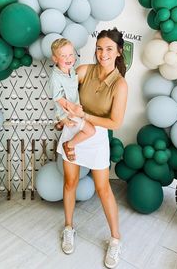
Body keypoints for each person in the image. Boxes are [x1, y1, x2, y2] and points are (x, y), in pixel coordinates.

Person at [57, 28, 128, 269]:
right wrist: (63, 115)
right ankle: (69, 228)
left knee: (103, 189)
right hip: (73, 131)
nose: (102, 54)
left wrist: (84, 114)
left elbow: (114, 123)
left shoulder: (120, 85)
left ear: (119, 52)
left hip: (96, 138)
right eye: (99, 48)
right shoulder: (85, 70)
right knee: (70, 183)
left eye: (109, 49)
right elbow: (62, 88)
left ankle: (116, 239)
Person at [49, 38, 96, 161]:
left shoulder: (71, 69)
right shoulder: (55, 77)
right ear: (55, 59)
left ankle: (60, 121)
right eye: (63, 56)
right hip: (69, 110)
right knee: (91, 131)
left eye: (70, 54)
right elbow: (57, 97)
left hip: (75, 105)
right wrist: (72, 108)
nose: (68, 58)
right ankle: (69, 145)